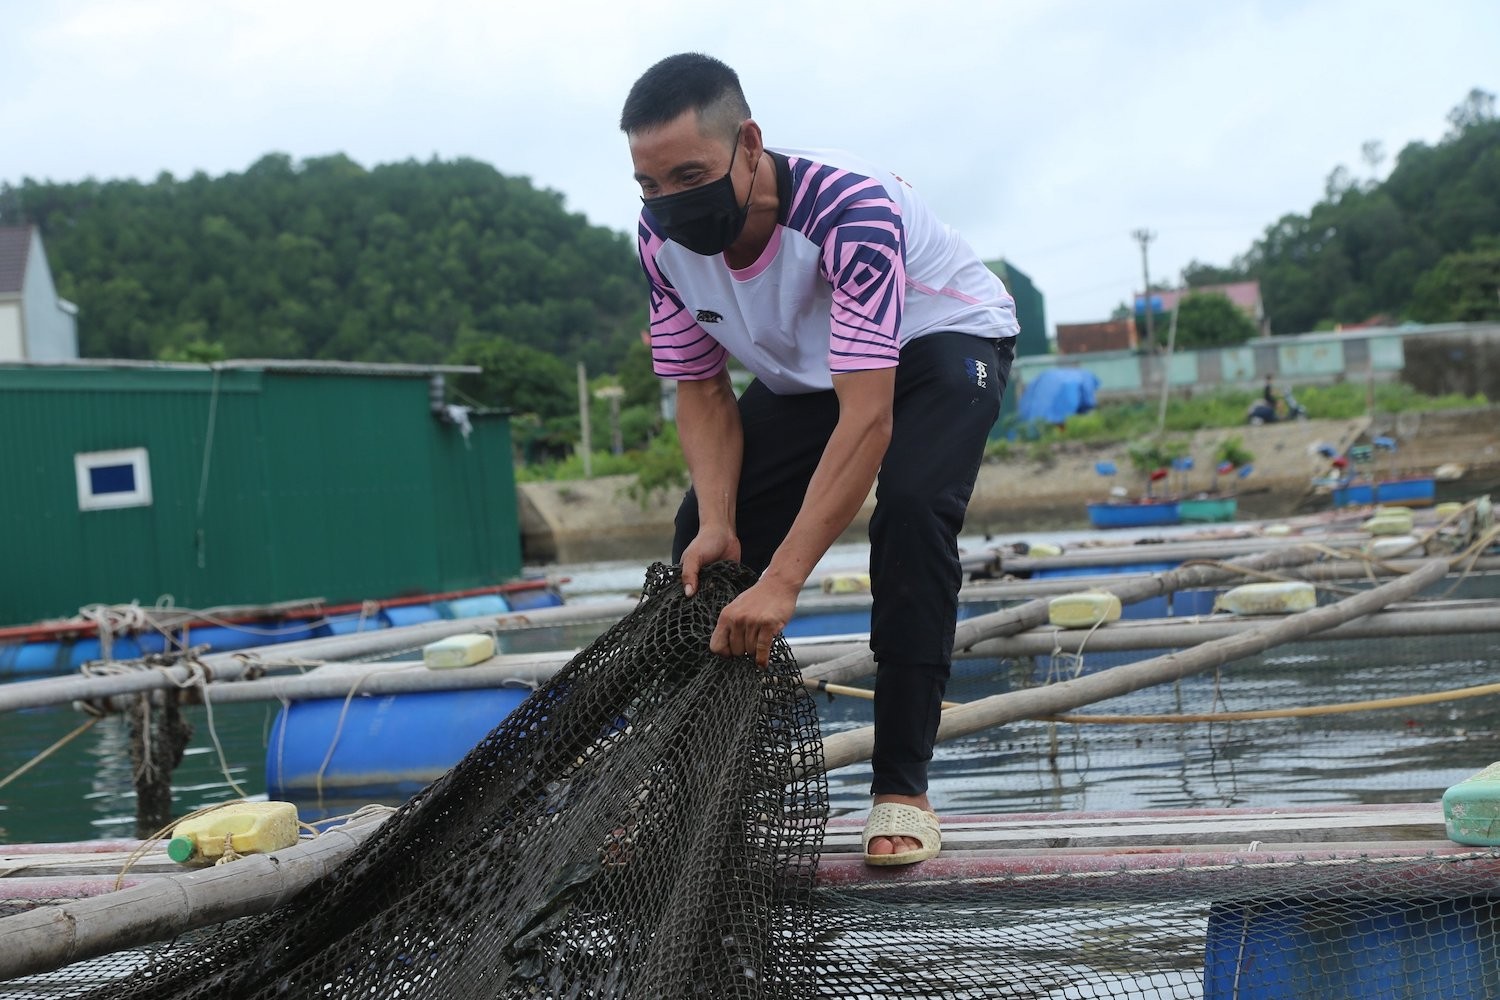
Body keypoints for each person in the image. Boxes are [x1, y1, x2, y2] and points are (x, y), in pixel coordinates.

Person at [620, 53, 1019, 866]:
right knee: (702, 534)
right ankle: (700, 792)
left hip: (939, 342)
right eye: (649, 185)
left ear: (750, 143)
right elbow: (701, 394)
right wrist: (728, 528)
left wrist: (785, 580)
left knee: (909, 511)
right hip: (815, 369)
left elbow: (869, 422)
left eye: (690, 174)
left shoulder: (849, 209)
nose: (669, 202)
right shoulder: (661, 243)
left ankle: (900, 791)